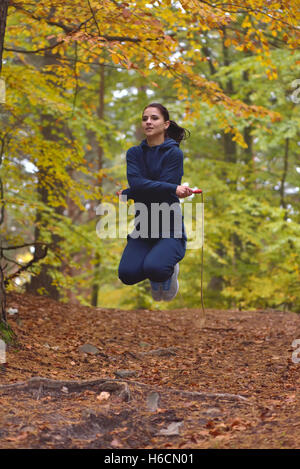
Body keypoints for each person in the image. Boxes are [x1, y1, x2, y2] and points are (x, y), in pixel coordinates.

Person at [117, 103, 193, 301]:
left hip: (170, 229)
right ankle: (155, 263)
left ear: (166, 124)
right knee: (126, 274)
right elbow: (140, 184)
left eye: (154, 118)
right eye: (145, 118)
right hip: (143, 229)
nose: (148, 122)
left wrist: (131, 192)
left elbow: (150, 190)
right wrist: (170, 189)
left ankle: (167, 268)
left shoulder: (173, 153)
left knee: (156, 267)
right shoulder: (134, 153)